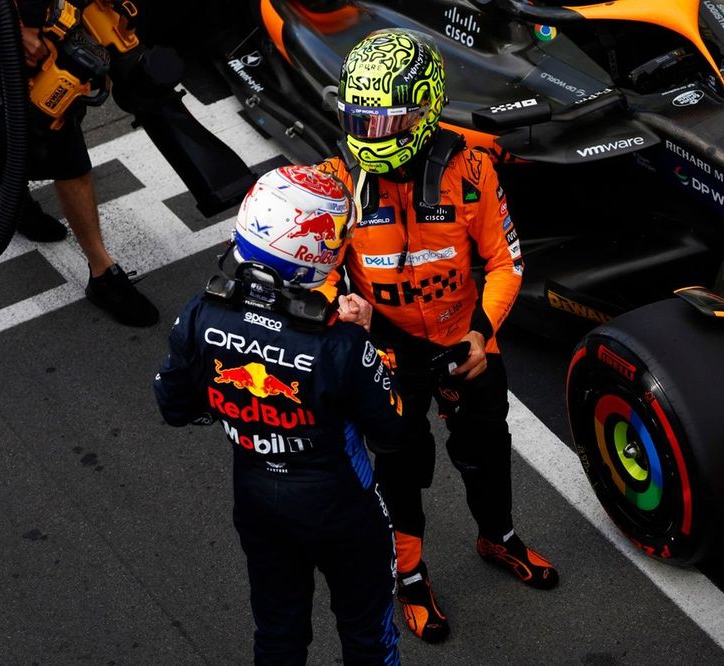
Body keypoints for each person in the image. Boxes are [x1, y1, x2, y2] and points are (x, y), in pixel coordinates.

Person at [316, 29, 559, 645]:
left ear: (426, 109)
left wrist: (481, 334)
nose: (371, 135)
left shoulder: (471, 168)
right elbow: (313, 272)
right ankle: (409, 575)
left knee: (486, 451)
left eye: (386, 122)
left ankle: (498, 537)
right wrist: (339, 305)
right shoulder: (335, 180)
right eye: (360, 121)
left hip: (466, 343)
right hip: (386, 354)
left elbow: (505, 261)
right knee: (401, 463)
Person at [154, 165, 402, 665]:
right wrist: (370, 341)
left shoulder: (200, 312)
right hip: (343, 509)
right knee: (368, 637)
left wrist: (244, 419)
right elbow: (392, 431)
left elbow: (174, 407)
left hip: (257, 501)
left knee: (277, 636)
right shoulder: (342, 342)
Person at [0, 0, 159, 327]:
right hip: (18, 29)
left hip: (53, 16)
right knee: (59, 133)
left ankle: (7, 193)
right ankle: (102, 273)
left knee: (37, 119)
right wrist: (11, 31)